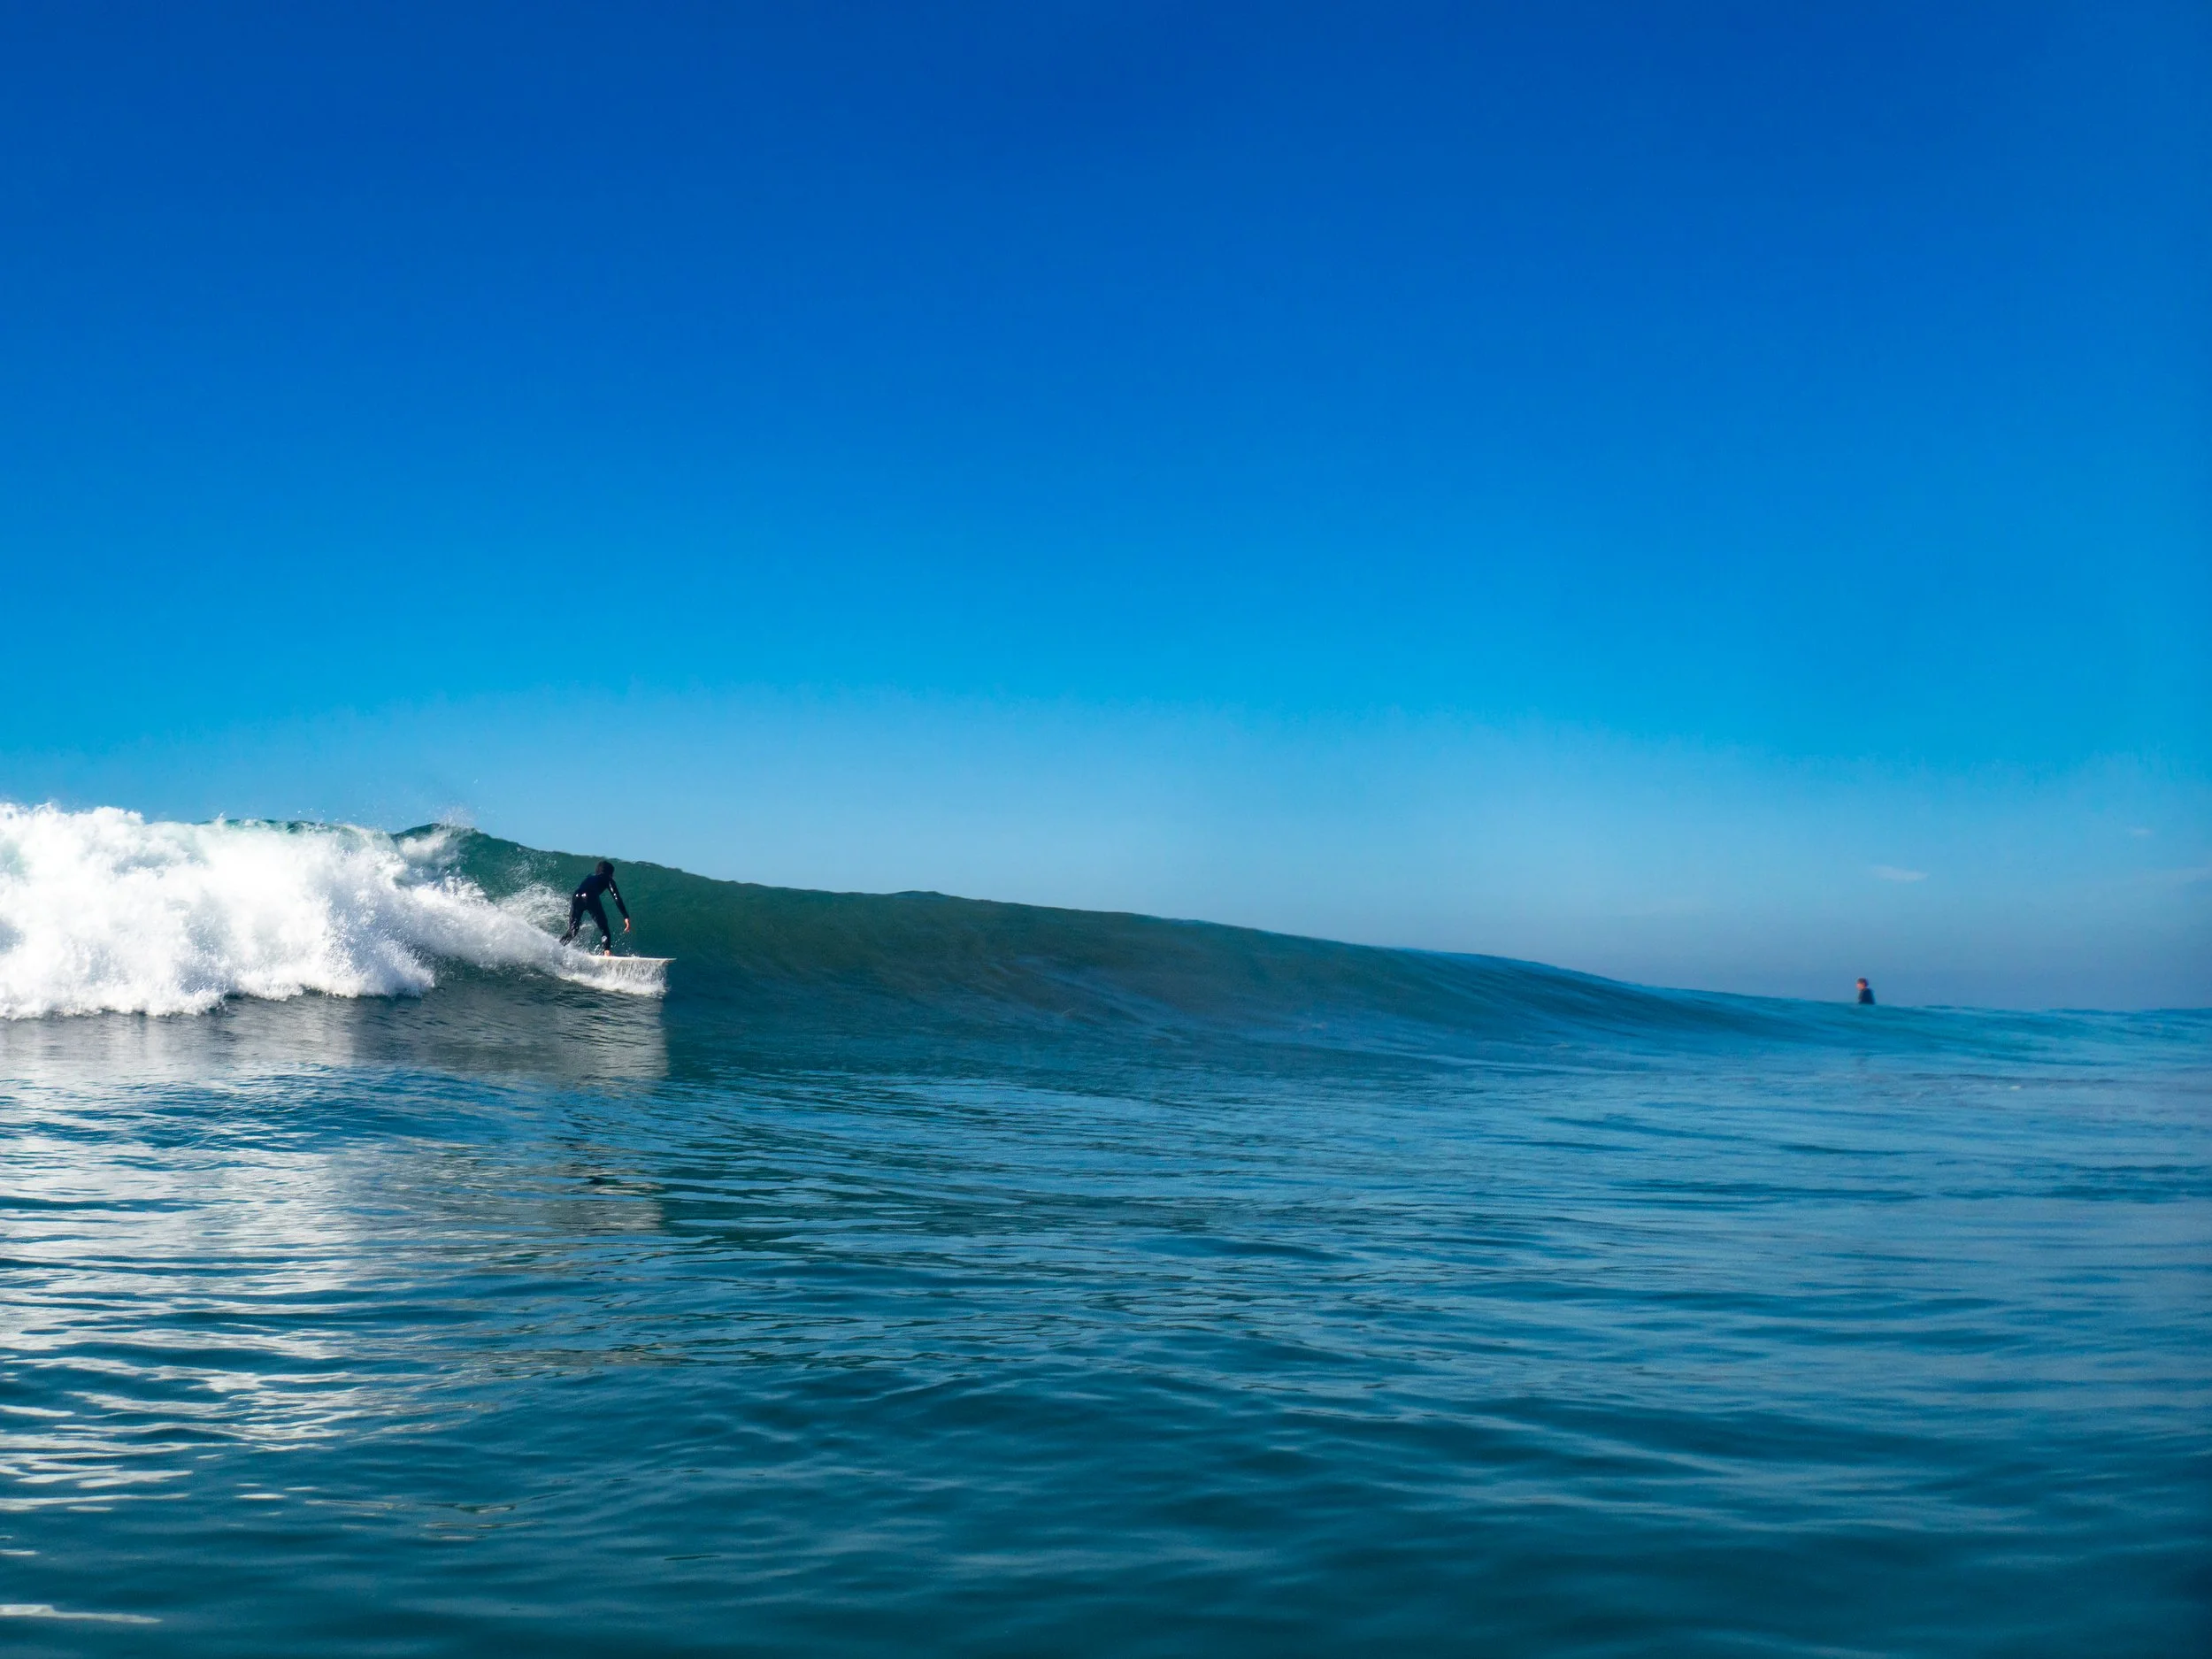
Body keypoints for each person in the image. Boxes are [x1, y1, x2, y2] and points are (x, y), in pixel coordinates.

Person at [562, 860, 631, 954]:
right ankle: (607, 951)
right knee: (604, 928)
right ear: (610, 873)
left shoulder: (590, 876)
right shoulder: (608, 879)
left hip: (577, 896)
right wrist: (625, 916)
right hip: (590, 896)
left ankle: (559, 947)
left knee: (573, 930)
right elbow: (616, 896)